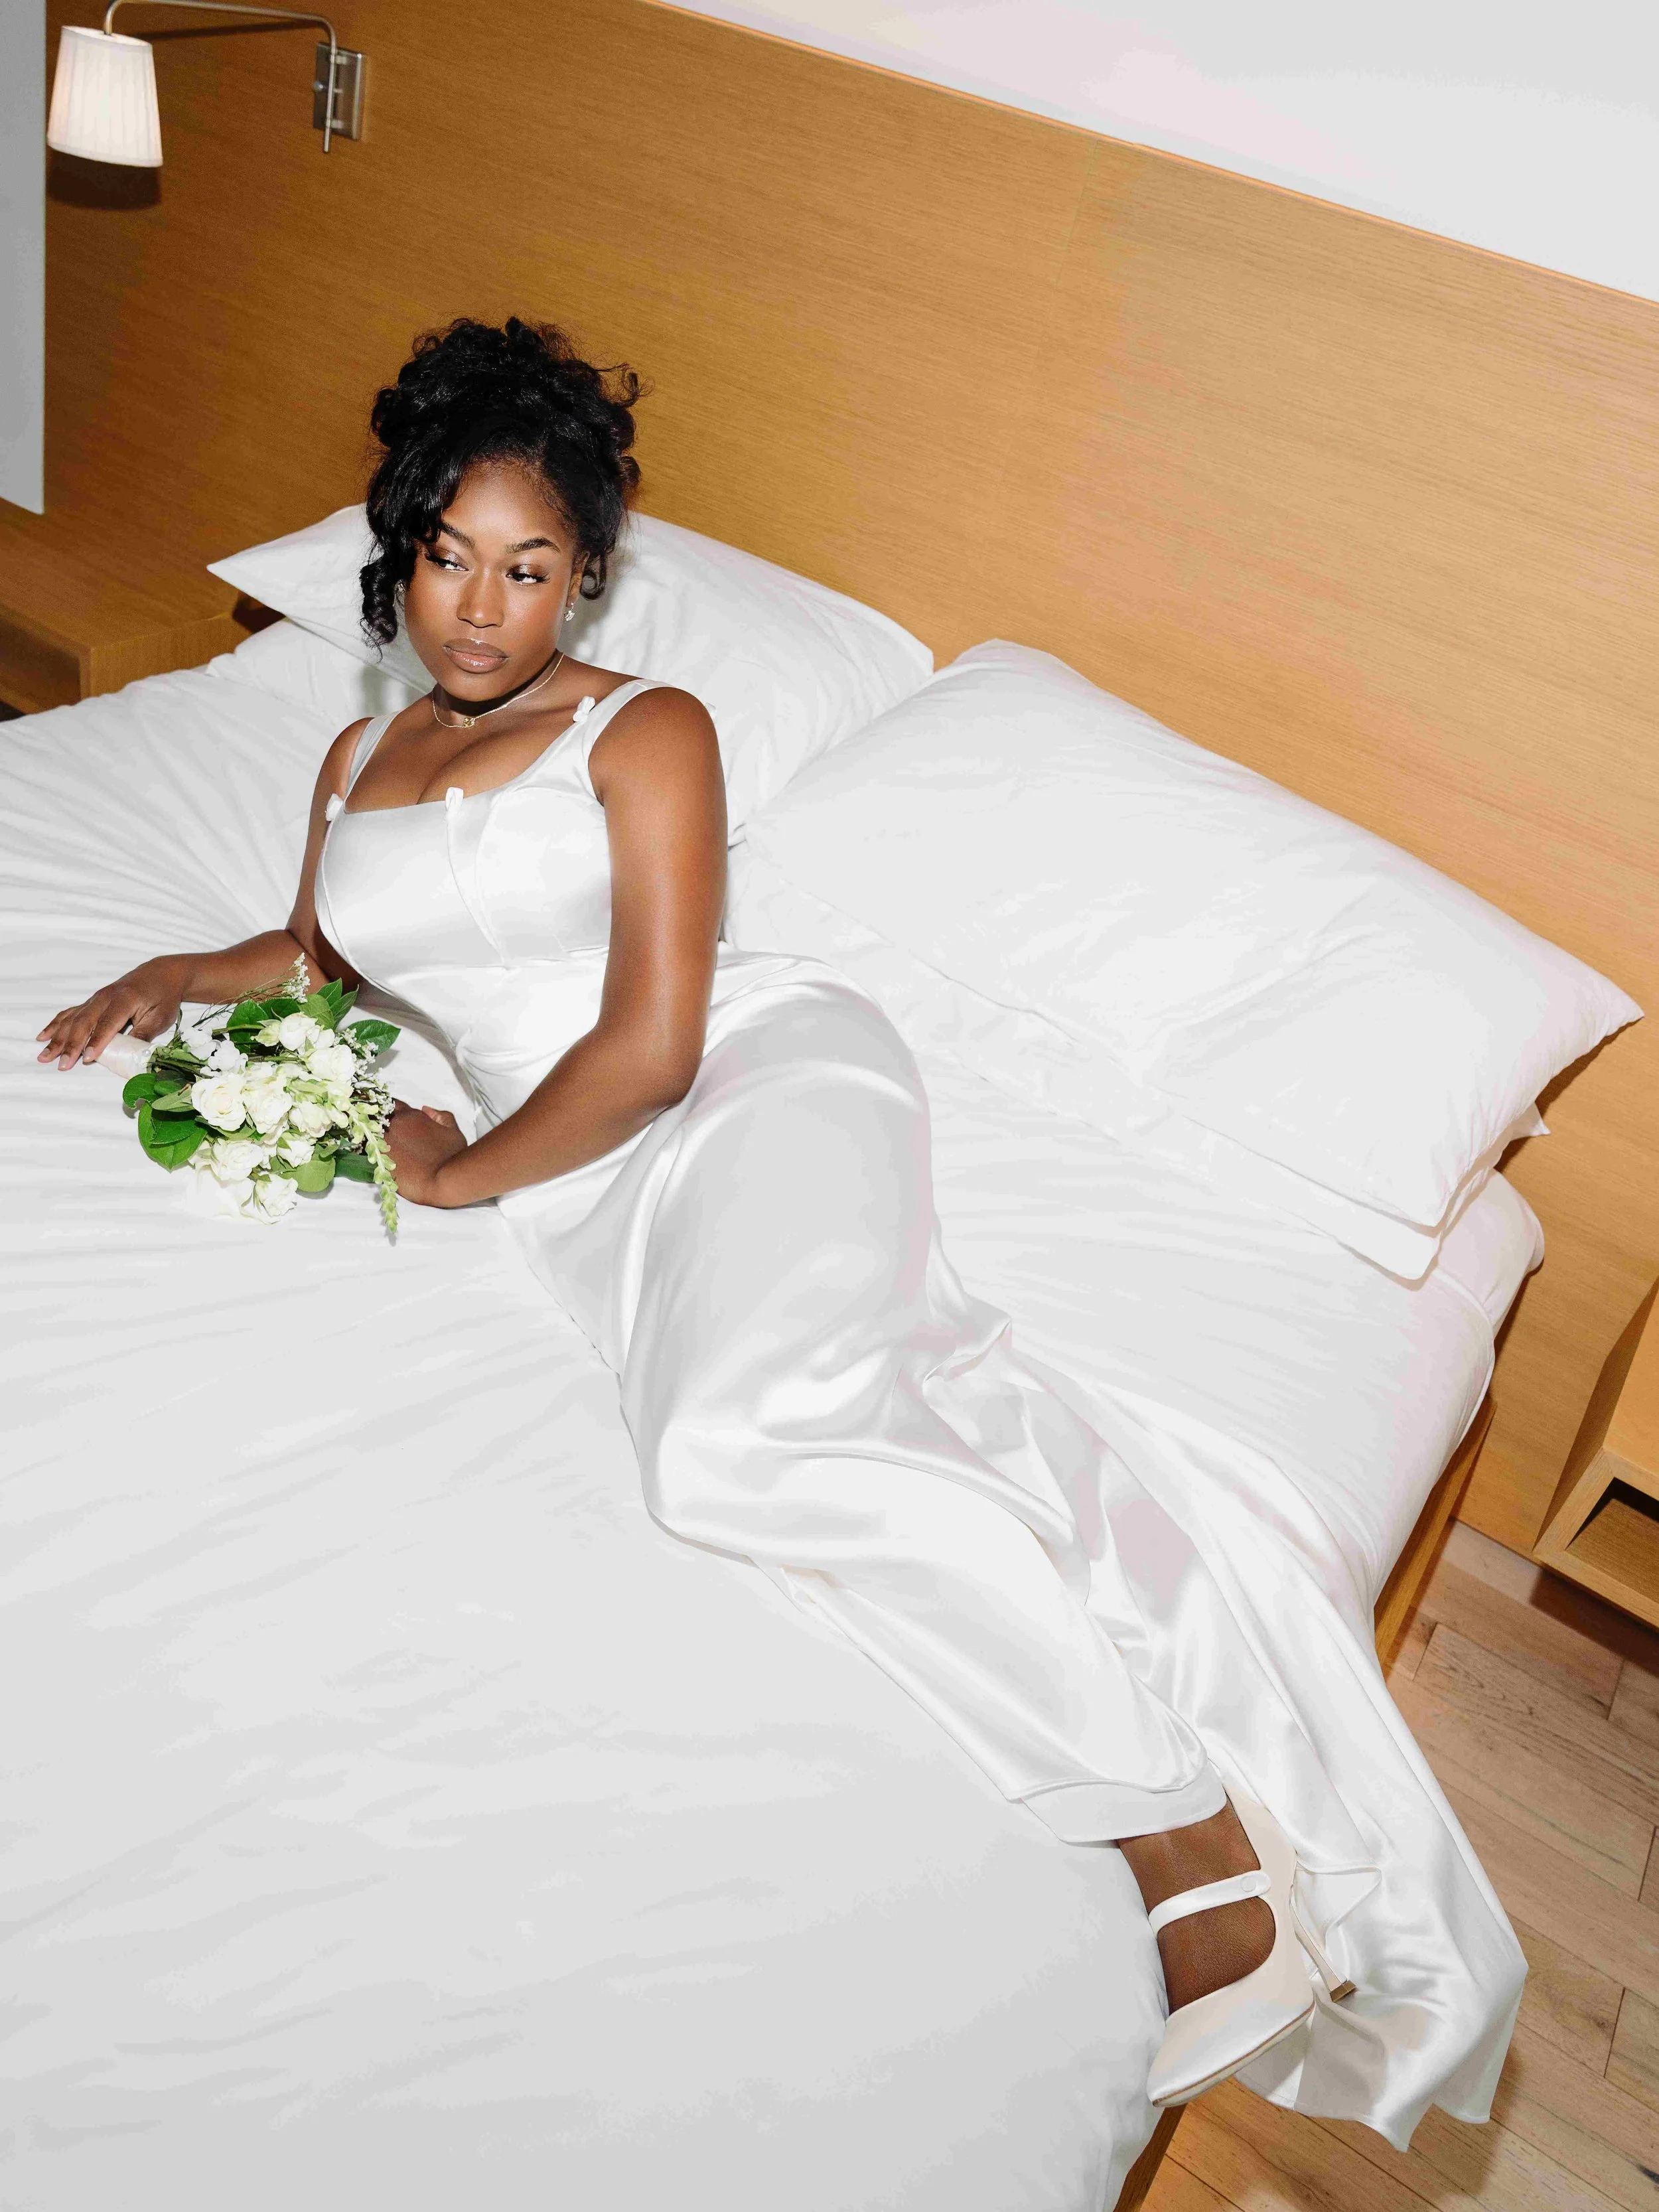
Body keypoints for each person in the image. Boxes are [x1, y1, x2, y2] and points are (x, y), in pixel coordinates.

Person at [37, 316, 1348, 2109]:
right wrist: (180, 968)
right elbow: (331, 953)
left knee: (733, 1444)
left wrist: (458, 1169)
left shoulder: (649, 729)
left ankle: (1190, 1847)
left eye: (529, 569)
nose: (481, 611)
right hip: (583, 1183)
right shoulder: (358, 762)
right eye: (447, 559)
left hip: (747, 1084)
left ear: (586, 580)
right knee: (777, 1425)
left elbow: (653, 1041)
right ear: (396, 550)